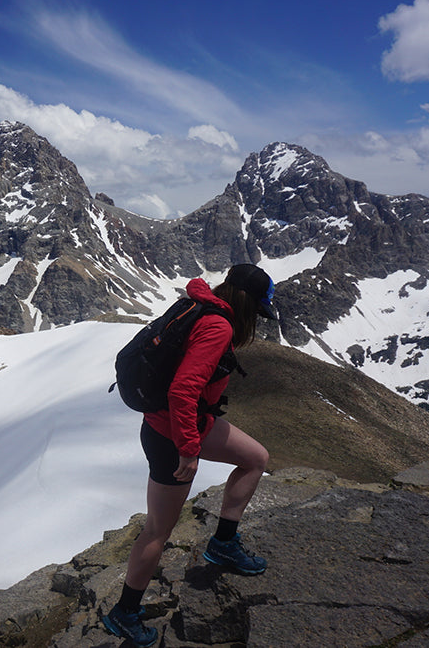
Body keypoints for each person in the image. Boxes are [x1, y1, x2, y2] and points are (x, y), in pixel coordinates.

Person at [102, 264, 277, 647]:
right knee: (158, 531)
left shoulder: (197, 304)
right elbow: (182, 391)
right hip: (172, 435)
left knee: (256, 458)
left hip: (186, 423)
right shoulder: (219, 326)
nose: (258, 322)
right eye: (259, 314)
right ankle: (124, 613)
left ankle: (223, 544)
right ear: (248, 304)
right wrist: (189, 450)